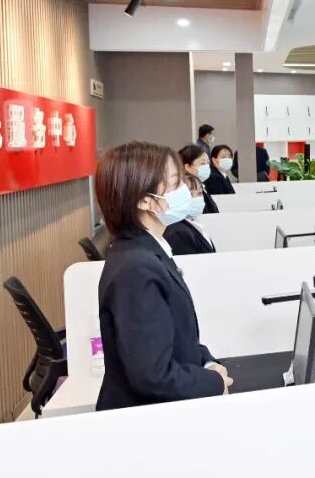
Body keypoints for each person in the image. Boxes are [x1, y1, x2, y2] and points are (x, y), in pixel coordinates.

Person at [93, 141, 232, 411]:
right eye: (175, 183)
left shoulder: (148, 250)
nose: (184, 190)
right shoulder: (136, 268)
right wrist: (213, 383)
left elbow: (173, 335)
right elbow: (153, 374)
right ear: (144, 200)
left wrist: (206, 361)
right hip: (148, 419)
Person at [164, 174, 217, 256]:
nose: (196, 198)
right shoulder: (177, 231)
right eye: (189, 194)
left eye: (199, 193)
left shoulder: (192, 224)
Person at [178, 144, 219, 214]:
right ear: (188, 167)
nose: (207, 166)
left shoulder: (201, 186)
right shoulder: (186, 189)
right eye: (202, 163)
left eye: (208, 163)